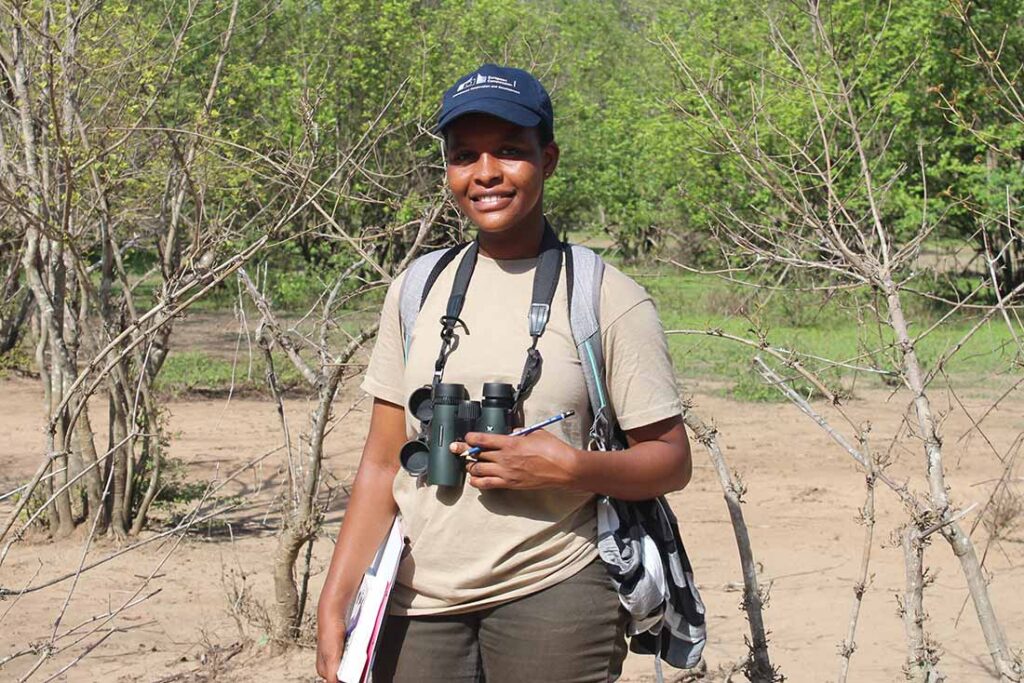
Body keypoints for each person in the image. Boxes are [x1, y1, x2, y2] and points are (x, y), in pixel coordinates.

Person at [316, 64, 692, 683]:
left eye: (510, 152)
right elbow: (383, 463)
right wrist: (336, 598)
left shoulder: (605, 296)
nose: (486, 173)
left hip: (556, 588)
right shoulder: (416, 290)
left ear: (548, 159)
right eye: (465, 155)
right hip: (416, 598)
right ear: (448, 171)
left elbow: (670, 461)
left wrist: (569, 467)